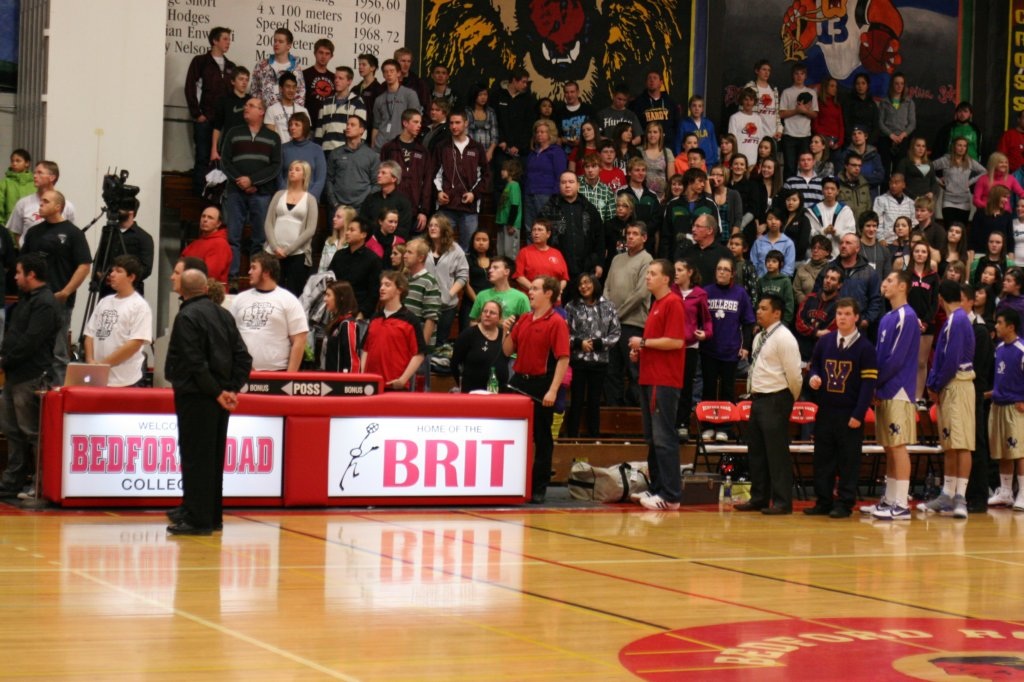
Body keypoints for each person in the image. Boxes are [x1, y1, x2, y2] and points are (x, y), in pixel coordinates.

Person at [165, 269, 252, 535]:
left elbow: (194, 362)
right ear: (205, 288)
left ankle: (197, 520)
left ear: (183, 290)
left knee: (195, 458)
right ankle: (213, 516)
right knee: (213, 458)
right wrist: (231, 389)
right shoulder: (224, 315)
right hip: (220, 398)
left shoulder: (187, 316)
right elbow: (243, 357)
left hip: (197, 396)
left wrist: (216, 392)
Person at [620, 259, 685, 510]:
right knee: (652, 438)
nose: (647, 277)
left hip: (664, 380)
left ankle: (671, 495)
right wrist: (641, 352)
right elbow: (659, 342)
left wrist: (644, 343)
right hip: (649, 378)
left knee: (663, 437)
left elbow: (676, 342)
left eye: (652, 273)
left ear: (666, 279)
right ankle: (657, 488)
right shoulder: (656, 304)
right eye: (647, 273)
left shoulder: (673, 303)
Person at [804, 298, 877, 518]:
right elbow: (815, 366)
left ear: (856, 317)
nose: (842, 318)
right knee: (823, 459)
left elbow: (868, 385)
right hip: (826, 410)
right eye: (839, 314)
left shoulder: (865, 348)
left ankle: (845, 503)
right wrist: (814, 377)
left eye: (847, 314)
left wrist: (859, 413)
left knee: (848, 461)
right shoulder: (825, 342)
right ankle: (823, 501)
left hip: (850, 413)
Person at [503, 276, 569, 503]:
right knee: (514, 435)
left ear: (548, 293)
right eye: (530, 288)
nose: (530, 292)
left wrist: (553, 390)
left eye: (535, 289)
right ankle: (512, 482)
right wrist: (506, 331)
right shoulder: (524, 319)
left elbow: (563, 359)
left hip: (542, 384)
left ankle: (538, 487)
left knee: (542, 437)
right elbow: (507, 351)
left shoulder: (557, 322)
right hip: (518, 382)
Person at [734, 293, 802, 515]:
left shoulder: (785, 338)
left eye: (764, 308)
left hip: (776, 398)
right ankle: (759, 498)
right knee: (757, 452)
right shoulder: (758, 337)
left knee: (776, 453)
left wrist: (788, 399)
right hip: (758, 399)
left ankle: (782, 502)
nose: (758, 312)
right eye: (758, 308)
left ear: (777, 313)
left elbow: (795, 375)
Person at [0, 254, 61, 498]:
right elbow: (15, 335)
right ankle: (12, 480)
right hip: (14, 375)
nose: (15, 277)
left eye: (18, 272)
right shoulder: (26, 300)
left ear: (31, 274)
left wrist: (5, 361)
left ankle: (40, 483)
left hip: (31, 375)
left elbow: (31, 341)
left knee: (32, 431)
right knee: (11, 430)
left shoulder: (45, 303)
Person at [865, 270, 921, 521]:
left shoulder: (907, 316)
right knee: (889, 446)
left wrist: (875, 383)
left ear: (902, 286)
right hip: (884, 388)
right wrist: (875, 386)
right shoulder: (888, 317)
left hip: (899, 389)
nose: (884, 284)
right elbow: (880, 355)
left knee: (898, 446)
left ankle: (901, 504)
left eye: (889, 280)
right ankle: (889, 499)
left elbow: (896, 359)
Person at [20, 190, 90, 385]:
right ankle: (33, 393)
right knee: (31, 349)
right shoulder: (33, 233)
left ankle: (59, 393)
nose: (40, 204)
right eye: (40, 201)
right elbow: (22, 264)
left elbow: (84, 266)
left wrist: (66, 292)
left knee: (58, 352)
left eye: (45, 201)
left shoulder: (73, 233)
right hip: (32, 301)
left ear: (58, 206)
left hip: (59, 300)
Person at [920, 280, 976, 519]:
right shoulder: (954, 320)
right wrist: (934, 385)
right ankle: (947, 494)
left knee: (961, 442)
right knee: (950, 443)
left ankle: (960, 497)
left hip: (958, 385)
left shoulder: (958, 320)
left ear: (940, 298)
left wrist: (934, 385)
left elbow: (951, 361)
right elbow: (942, 358)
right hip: (949, 386)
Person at [220, 97, 282, 279]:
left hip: (261, 194)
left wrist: (253, 181)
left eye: (251, 106)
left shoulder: (273, 137)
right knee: (233, 238)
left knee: (259, 239)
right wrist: (241, 181)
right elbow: (225, 162)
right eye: (246, 105)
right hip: (235, 192)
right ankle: (232, 279)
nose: (246, 108)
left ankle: (256, 277)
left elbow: (275, 166)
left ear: (261, 111)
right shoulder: (233, 133)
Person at [702, 257, 756, 440]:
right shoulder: (706, 292)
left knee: (727, 390)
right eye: (719, 268)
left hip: (731, 350)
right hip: (709, 349)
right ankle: (708, 425)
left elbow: (748, 322)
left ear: (732, 273)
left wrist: (746, 346)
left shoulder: (740, 293)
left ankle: (725, 428)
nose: (722, 272)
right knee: (708, 389)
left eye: (726, 269)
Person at [230, 252, 309, 372]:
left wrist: (290, 376)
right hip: (242, 372)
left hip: (277, 373)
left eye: (254, 268)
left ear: (266, 272)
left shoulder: (288, 299)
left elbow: (300, 340)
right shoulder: (239, 299)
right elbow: (229, 335)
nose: (249, 272)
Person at [83, 255, 152, 388]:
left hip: (125, 381)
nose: (112, 274)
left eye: (119, 271)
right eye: (112, 270)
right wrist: (90, 360)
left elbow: (135, 343)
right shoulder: (104, 301)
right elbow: (89, 335)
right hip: (99, 378)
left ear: (131, 277)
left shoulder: (139, 306)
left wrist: (103, 364)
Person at [565, 272, 620, 437]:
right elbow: (563, 334)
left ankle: (594, 437)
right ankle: (572, 437)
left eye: (587, 283)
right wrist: (578, 343)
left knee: (594, 401)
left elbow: (616, 333)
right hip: (578, 360)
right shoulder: (571, 307)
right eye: (580, 284)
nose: (584, 287)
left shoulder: (609, 306)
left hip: (600, 361)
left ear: (595, 283)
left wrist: (598, 343)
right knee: (576, 400)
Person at [604, 222, 652, 407]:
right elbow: (607, 287)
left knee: (634, 371)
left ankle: (634, 411)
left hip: (633, 323)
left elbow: (640, 294)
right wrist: (608, 312)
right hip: (612, 323)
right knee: (612, 370)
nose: (630, 237)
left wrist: (616, 314)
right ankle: (613, 409)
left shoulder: (647, 260)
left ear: (644, 238)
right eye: (628, 233)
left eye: (635, 234)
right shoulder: (617, 259)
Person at [184, 26, 235, 195]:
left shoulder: (231, 66)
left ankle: (218, 197)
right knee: (203, 157)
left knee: (222, 158)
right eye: (225, 39)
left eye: (229, 39)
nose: (228, 42)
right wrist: (197, 114)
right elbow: (190, 87)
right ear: (214, 40)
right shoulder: (200, 61)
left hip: (223, 123)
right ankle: (199, 196)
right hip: (205, 120)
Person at [431, 110, 490, 251]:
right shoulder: (442, 147)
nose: (454, 126)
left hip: (469, 208)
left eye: (457, 123)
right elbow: (433, 175)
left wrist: (474, 194)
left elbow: (486, 176)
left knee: (467, 250)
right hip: (446, 207)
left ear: (466, 123)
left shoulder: (477, 147)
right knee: (440, 248)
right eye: (451, 123)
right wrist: (438, 193)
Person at [986, 308, 1024, 510]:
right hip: (998, 406)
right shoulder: (999, 348)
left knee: (1019, 451)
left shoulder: (1022, 349)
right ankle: (1006, 492)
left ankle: (1023, 493)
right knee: (1002, 451)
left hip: (1015, 407)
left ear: (1011, 326)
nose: (996, 326)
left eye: (1000, 323)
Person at [264, 159, 318, 297]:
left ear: (305, 175)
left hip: (297, 253)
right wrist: (275, 247)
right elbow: (268, 223)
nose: (292, 172)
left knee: (294, 294)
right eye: (290, 169)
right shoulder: (278, 195)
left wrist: (288, 250)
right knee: (271, 292)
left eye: (297, 170)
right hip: (273, 252)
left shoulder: (310, 199)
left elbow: (310, 230)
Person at [673, 258, 712, 441]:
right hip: (670, 345)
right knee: (671, 386)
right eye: (675, 270)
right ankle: (670, 423)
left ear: (689, 273)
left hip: (690, 346)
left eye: (680, 270)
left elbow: (707, 320)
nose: (676, 273)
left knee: (686, 387)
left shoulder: (699, 294)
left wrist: (706, 333)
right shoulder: (669, 292)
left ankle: (683, 424)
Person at [380, 110, 432, 233]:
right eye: (415, 122)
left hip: (414, 209)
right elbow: (381, 177)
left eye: (420, 122)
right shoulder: (389, 148)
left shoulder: (422, 151)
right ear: (405, 123)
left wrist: (423, 211)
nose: (419, 125)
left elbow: (427, 182)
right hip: (391, 207)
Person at [93, 197, 154, 296]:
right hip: (106, 291)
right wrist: (101, 275)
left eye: (122, 207)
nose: (118, 210)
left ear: (131, 211)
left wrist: (123, 278)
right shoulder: (109, 233)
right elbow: (98, 260)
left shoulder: (144, 237)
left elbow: (146, 269)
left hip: (130, 292)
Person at [5, 160, 76, 245]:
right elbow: (16, 233)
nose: (35, 176)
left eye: (40, 173)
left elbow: (70, 233)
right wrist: (23, 250)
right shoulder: (23, 203)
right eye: (34, 173)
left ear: (52, 177)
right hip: (29, 252)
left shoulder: (67, 206)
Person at [324, 115, 380, 216]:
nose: (348, 127)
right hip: (338, 208)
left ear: (361, 130)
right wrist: (334, 203)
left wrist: (365, 204)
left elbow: (377, 184)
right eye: (347, 124)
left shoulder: (372, 155)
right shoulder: (335, 153)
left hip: (361, 210)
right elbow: (329, 180)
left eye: (352, 125)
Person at [671, 183, 727, 278]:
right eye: (693, 226)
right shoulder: (684, 252)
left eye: (698, 226)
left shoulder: (723, 254)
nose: (693, 229)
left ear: (709, 230)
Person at [523, 118, 568, 231]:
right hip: (529, 193)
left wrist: (555, 196)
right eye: (537, 132)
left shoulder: (556, 152)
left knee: (545, 227)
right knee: (530, 227)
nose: (539, 134)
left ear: (550, 134)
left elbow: (560, 176)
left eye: (542, 132)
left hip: (546, 194)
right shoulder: (532, 153)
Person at [933, 138, 987, 229]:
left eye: (964, 146)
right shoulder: (946, 160)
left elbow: (984, 172)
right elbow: (928, 168)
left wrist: (970, 182)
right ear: (954, 147)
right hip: (948, 200)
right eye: (959, 145)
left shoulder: (969, 161)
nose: (962, 148)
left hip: (964, 201)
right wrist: (938, 181)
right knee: (949, 228)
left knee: (962, 229)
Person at [314, 66, 368, 153]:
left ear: (349, 81)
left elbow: (362, 131)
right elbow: (319, 131)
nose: (336, 81)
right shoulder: (326, 102)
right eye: (335, 78)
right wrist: (317, 152)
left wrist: (356, 153)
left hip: (347, 152)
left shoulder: (357, 102)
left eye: (341, 78)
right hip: (326, 151)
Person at [372, 59, 422, 151]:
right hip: (380, 146)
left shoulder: (409, 94)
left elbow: (415, 121)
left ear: (398, 73)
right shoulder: (379, 99)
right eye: (386, 72)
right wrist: (373, 147)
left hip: (401, 146)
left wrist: (409, 144)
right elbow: (376, 126)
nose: (389, 74)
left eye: (392, 71)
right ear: (383, 75)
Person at [778, 62, 818, 178]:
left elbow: (815, 114)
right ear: (793, 76)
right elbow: (781, 114)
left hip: (805, 135)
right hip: (789, 134)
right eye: (796, 74)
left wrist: (805, 111)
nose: (799, 76)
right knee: (790, 166)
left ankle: (803, 188)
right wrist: (796, 110)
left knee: (805, 166)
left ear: (805, 76)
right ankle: (788, 188)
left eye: (802, 74)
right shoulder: (787, 92)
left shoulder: (811, 93)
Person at [796, 264, 842, 361]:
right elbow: (799, 323)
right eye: (826, 277)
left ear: (839, 285)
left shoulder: (840, 306)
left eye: (833, 279)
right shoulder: (809, 298)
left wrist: (810, 331)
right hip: (800, 352)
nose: (828, 281)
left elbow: (830, 333)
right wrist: (816, 332)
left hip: (822, 355)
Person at [249, 27, 305, 108]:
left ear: (289, 46)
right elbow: (254, 91)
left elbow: (300, 95)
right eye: (275, 41)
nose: (276, 44)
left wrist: (293, 114)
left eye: (281, 41)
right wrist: (259, 110)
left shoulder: (296, 69)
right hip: (264, 113)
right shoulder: (261, 65)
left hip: (288, 114)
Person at [320, 280, 368, 372]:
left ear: (341, 298)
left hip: (341, 380)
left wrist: (350, 380)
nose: (325, 299)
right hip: (329, 377)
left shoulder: (348, 324)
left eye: (328, 295)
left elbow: (353, 361)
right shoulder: (336, 323)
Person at [361, 161, 415, 240]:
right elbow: (362, 222)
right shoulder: (370, 199)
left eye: (383, 173)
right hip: (370, 241)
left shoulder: (403, 202)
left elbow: (404, 230)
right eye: (379, 173)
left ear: (394, 178)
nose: (379, 175)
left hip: (393, 243)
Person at [278, 112, 326, 200]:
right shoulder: (283, 149)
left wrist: (309, 198)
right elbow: (279, 176)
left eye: (297, 125)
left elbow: (320, 178)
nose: (292, 127)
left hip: (310, 198)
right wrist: (287, 195)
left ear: (305, 127)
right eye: (291, 125)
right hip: (286, 197)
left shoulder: (316, 149)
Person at [468, 256, 529, 323]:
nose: (490, 271)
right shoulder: (481, 295)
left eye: (495, 268)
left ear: (506, 271)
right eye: (490, 268)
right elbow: (473, 321)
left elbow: (527, 324)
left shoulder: (521, 298)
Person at [210, 67, 250, 163]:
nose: (244, 82)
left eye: (247, 80)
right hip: (228, 146)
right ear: (232, 81)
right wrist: (214, 149)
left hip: (247, 146)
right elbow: (217, 127)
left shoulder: (251, 101)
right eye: (241, 79)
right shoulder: (224, 100)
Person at [877, 72, 915, 171]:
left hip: (902, 140)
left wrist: (902, 135)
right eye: (896, 83)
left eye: (902, 83)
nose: (899, 86)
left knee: (899, 170)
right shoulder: (884, 102)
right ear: (892, 85)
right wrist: (891, 135)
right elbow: (880, 122)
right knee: (884, 170)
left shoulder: (909, 102)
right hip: (886, 139)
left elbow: (912, 123)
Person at [808, 176, 856, 254]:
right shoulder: (812, 211)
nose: (829, 192)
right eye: (826, 188)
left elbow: (851, 236)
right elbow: (809, 236)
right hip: (818, 255)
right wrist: (824, 231)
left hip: (839, 254)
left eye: (833, 189)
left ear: (838, 191)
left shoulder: (846, 211)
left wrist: (836, 232)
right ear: (822, 190)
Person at [263, 72, 309, 143]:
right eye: (288, 86)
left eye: (294, 87)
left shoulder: (303, 111)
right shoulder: (271, 110)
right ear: (280, 88)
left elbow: (306, 135)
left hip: (299, 148)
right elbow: (270, 137)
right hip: (279, 148)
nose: (291, 90)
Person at [750, 207, 796, 278]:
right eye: (770, 219)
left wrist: (778, 280)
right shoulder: (758, 242)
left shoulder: (788, 243)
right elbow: (753, 265)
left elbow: (789, 268)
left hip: (781, 282)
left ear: (781, 222)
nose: (773, 222)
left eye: (777, 219)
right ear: (766, 222)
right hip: (761, 281)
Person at [873, 173, 916, 245]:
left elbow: (914, 223)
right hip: (887, 242)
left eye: (896, 183)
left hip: (906, 242)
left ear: (903, 185)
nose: (893, 185)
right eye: (891, 183)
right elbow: (877, 221)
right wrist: (880, 238)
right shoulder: (880, 200)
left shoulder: (911, 202)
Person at [302, 38, 335, 128]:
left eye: (327, 53)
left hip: (328, 126)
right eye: (321, 52)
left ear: (331, 56)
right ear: (315, 53)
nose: (323, 56)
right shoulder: (304, 74)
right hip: (308, 125)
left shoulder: (334, 78)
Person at [495, 158, 525, 259]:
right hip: (503, 223)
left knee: (510, 254)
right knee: (501, 253)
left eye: (504, 170)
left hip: (510, 225)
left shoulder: (514, 186)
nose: (501, 172)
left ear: (512, 171)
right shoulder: (508, 185)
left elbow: (514, 205)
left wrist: (511, 224)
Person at [728, 88, 764, 168]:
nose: (748, 103)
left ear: (754, 101)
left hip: (754, 162)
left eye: (751, 100)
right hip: (739, 162)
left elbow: (760, 140)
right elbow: (732, 141)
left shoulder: (758, 118)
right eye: (746, 100)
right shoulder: (734, 117)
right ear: (742, 101)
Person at [676, 95, 718, 163]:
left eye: (699, 106)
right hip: (691, 163)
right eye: (694, 106)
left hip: (709, 162)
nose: (697, 109)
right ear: (689, 108)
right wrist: (682, 161)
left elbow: (714, 144)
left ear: (702, 109)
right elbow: (678, 145)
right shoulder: (683, 124)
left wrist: (715, 160)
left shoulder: (709, 124)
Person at [794, 235, 832, 305]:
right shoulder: (802, 269)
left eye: (820, 248)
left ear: (827, 252)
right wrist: (806, 303)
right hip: (804, 306)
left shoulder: (831, 270)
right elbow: (796, 290)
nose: (815, 250)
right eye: (813, 248)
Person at [0, 149, 33, 226]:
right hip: (10, 226)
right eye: (12, 161)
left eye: (18, 161)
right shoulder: (4, 183)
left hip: (32, 226)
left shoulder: (35, 183)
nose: (14, 163)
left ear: (27, 163)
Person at [837, 153, 872, 221]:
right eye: (854, 165)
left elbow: (869, 208)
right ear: (846, 166)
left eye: (859, 166)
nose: (857, 168)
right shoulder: (837, 184)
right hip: (843, 225)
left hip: (861, 225)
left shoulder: (864, 185)